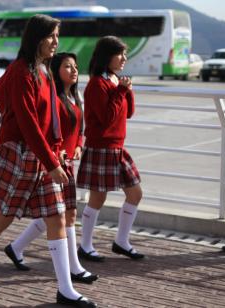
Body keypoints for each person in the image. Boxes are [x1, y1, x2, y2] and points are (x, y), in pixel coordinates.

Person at [0, 15, 96, 307]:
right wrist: (52, 162)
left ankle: (65, 290)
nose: (56, 42)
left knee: (56, 217)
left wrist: (56, 150)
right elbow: (29, 122)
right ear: (37, 37)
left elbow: (50, 119)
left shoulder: (44, 70)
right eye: (52, 36)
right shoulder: (21, 71)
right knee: (4, 215)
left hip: (42, 155)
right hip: (21, 154)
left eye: (58, 36)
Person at [3, 53, 98, 285]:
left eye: (76, 66)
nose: (74, 71)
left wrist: (77, 146)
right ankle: (74, 267)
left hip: (67, 162)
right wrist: (56, 155)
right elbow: (46, 130)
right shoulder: (54, 98)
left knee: (57, 215)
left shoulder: (74, 97)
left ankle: (15, 248)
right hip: (53, 162)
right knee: (61, 214)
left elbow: (79, 130)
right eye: (68, 66)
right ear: (56, 70)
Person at [76, 36, 144, 262]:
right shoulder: (97, 84)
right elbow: (107, 118)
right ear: (108, 56)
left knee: (135, 193)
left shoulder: (114, 80)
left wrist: (127, 90)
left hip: (116, 147)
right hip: (101, 147)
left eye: (125, 54)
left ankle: (121, 242)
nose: (124, 58)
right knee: (98, 198)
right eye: (120, 54)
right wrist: (121, 91)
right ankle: (85, 245)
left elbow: (129, 112)